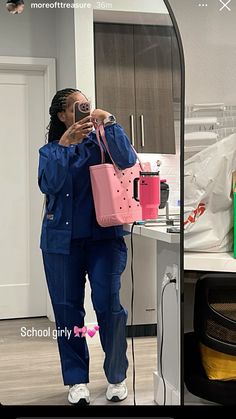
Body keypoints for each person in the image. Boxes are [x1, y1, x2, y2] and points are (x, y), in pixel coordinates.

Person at [38, 88, 137, 405]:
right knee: (67, 313)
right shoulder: (51, 151)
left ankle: (117, 375)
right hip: (60, 242)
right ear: (63, 115)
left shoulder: (103, 142)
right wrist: (66, 146)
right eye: (78, 107)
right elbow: (49, 185)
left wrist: (109, 121)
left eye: (88, 105)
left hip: (103, 240)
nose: (85, 110)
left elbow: (128, 160)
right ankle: (76, 380)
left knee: (110, 307)